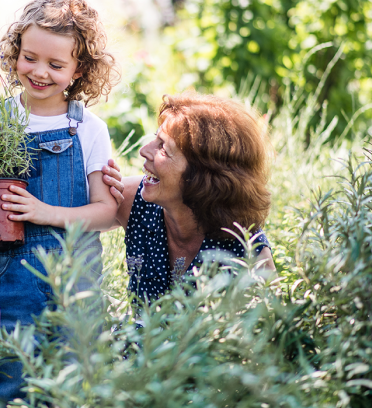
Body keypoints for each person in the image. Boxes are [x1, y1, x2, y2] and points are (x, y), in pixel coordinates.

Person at [0, 0, 122, 399]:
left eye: (56, 64)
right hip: (7, 275)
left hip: (74, 280)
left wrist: (44, 211)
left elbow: (105, 212)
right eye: (29, 57)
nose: (40, 72)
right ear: (15, 52)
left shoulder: (88, 128)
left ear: (78, 69)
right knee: (4, 375)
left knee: (69, 382)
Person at [112, 92, 276, 306]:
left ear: (201, 175)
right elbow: (67, 221)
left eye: (163, 147)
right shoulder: (134, 199)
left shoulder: (247, 249)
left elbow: (273, 328)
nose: (144, 151)